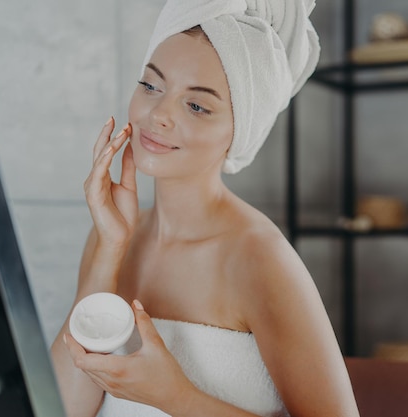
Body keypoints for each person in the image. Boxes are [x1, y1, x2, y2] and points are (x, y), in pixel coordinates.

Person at [50, 1, 360, 416]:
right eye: (150, 85)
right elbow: (59, 409)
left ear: (238, 131)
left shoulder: (258, 256)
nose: (159, 114)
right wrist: (110, 248)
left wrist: (175, 396)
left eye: (196, 106)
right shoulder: (113, 234)